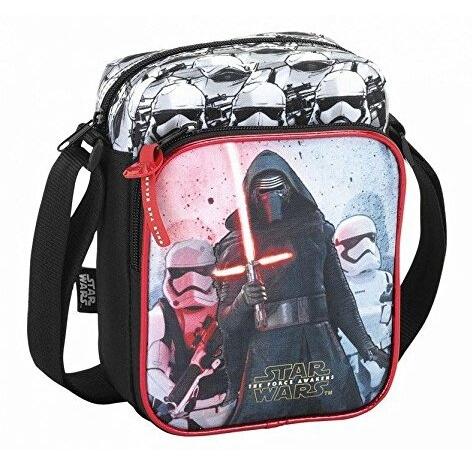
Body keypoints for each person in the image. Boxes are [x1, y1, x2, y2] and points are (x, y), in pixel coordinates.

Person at [214, 150, 388, 424]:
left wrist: (366, 346)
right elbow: (226, 321)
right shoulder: (237, 245)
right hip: (269, 354)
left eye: (278, 189)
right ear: (252, 196)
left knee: (342, 415)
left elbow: (339, 295)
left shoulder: (316, 230)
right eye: (263, 192)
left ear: (291, 189)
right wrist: (243, 300)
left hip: (321, 346)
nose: (272, 198)